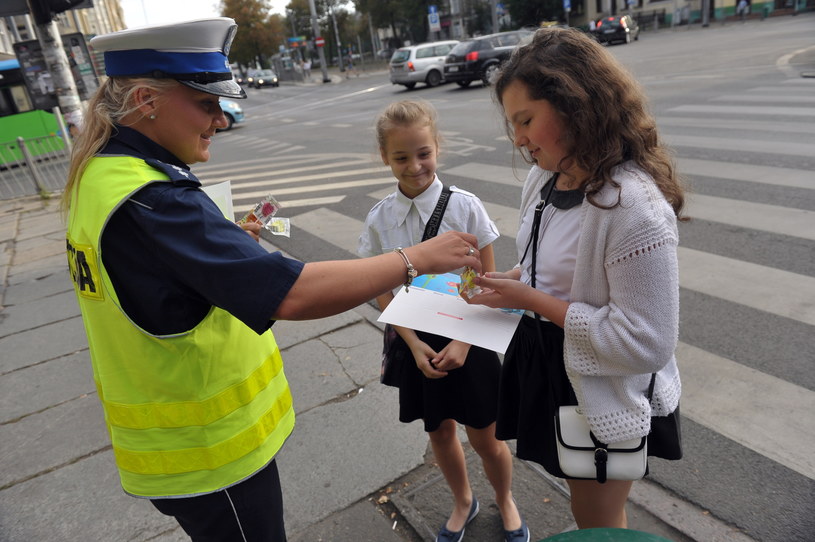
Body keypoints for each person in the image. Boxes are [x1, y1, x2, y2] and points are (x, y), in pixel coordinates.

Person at [62, 18, 481, 542]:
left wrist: (224, 250)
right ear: (146, 99)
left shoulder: (104, 174)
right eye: (205, 104)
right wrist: (416, 257)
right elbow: (296, 291)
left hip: (178, 453)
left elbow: (154, 281)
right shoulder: (154, 199)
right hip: (210, 455)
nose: (219, 119)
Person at [464, 28, 684, 530]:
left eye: (526, 120)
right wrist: (511, 283)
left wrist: (533, 299)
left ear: (575, 107)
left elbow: (647, 342)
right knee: (580, 494)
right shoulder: (545, 176)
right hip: (550, 367)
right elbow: (550, 265)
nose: (518, 139)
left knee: (598, 516)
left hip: (602, 386)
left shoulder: (636, 210)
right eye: (512, 123)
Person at [358, 100, 529, 542]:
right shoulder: (380, 219)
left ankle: (506, 499)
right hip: (417, 343)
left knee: (486, 438)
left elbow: (486, 283)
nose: (415, 166)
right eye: (401, 157)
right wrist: (413, 346)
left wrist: (465, 343)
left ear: (437, 148)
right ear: (384, 158)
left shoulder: (465, 207)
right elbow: (382, 291)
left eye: (423, 153)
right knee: (439, 432)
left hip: (467, 336)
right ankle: (463, 501)